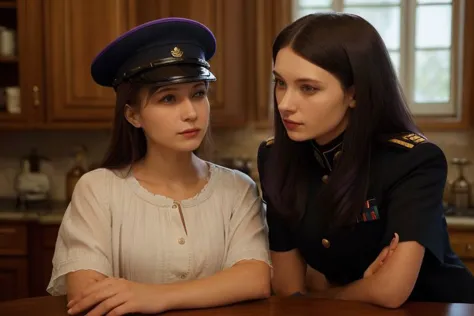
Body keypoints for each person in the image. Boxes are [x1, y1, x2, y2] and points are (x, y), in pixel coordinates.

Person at [47, 17, 271, 316]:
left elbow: (254, 279)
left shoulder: (238, 189)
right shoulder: (98, 190)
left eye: (198, 94)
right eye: (168, 98)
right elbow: (88, 294)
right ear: (133, 115)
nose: (191, 112)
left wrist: (154, 296)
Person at [257, 12, 474, 308]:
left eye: (308, 88)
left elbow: (389, 292)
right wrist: (357, 288)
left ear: (354, 94)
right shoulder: (275, 157)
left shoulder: (412, 160)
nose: (284, 104)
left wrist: (323, 290)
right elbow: (287, 288)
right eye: (280, 83)